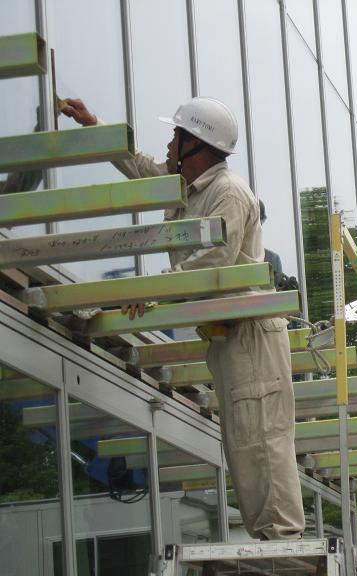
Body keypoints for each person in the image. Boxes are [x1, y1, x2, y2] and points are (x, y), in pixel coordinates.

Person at [61, 97, 305, 541]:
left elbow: (215, 257)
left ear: (197, 144)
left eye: (176, 136)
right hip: (230, 338)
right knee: (243, 444)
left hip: (251, 335)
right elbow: (140, 169)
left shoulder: (226, 191)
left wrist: (152, 292)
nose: (169, 144)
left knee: (263, 441)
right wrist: (93, 125)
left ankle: (284, 540)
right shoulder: (188, 186)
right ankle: (271, 542)